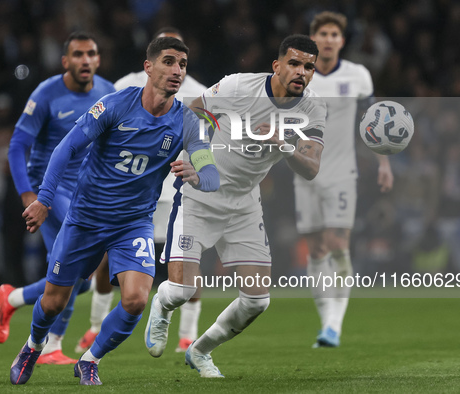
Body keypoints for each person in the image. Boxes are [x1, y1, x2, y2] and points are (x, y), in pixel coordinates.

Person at [9, 36, 219, 386]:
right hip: (86, 218)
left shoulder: (187, 122)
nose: (177, 70)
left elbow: (211, 175)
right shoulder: (114, 105)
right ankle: (33, 345)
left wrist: (198, 174)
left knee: (136, 300)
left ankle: (90, 360)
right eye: (168, 61)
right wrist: (44, 199)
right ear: (148, 67)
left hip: (133, 224)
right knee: (53, 303)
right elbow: (66, 148)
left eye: (182, 64)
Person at [145, 34, 326, 377]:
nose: (302, 72)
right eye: (294, 63)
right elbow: (190, 111)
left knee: (257, 300)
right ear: (277, 65)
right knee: (181, 291)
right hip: (200, 194)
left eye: (309, 67)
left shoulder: (314, 106)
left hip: (244, 204)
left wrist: (283, 144)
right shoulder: (239, 87)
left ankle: (200, 351)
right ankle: (162, 304)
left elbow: (312, 167)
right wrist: (196, 156)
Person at [75, 26, 208, 355]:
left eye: (179, 56)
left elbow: (203, 144)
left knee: (188, 262)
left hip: (176, 191)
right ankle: (95, 326)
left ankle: (188, 334)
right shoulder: (126, 85)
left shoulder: (198, 92)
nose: (174, 65)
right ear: (153, 58)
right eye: (166, 54)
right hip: (128, 195)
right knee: (108, 261)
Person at [0, 32, 115, 364]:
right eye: (77, 54)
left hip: (86, 192)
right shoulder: (46, 94)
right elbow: (18, 145)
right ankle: (50, 345)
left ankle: (13, 298)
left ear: (98, 59)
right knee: (76, 269)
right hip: (51, 189)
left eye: (91, 53)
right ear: (65, 61)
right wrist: (28, 194)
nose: (85, 60)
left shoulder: (108, 92)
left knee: (78, 279)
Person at [297, 11, 393, 348]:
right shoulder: (300, 75)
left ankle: (334, 325)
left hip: (342, 173)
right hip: (304, 172)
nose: (328, 39)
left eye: (334, 34)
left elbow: (372, 120)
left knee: (338, 244)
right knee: (316, 249)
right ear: (313, 37)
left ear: (342, 40)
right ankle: (326, 321)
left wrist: (383, 163)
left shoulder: (357, 76)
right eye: (322, 33)